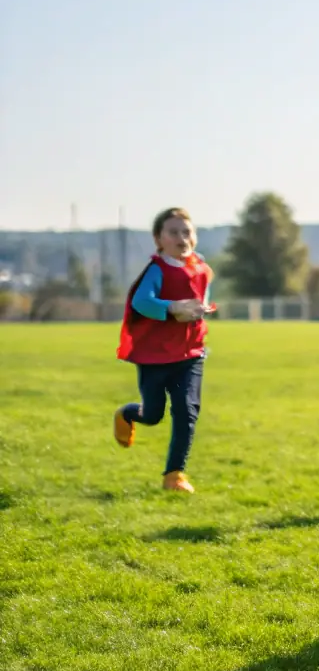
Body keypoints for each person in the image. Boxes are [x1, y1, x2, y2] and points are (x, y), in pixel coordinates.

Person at [113, 208, 215, 493]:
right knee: (154, 414)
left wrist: (199, 309)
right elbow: (141, 302)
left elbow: (201, 298)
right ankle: (128, 414)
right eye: (173, 232)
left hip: (190, 354)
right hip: (154, 356)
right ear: (159, 239)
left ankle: (174, 475)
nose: (182, 238)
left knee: (186, 410)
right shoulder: (157, 269)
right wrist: (172, 308)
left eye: (187, 232)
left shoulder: (202, 269)